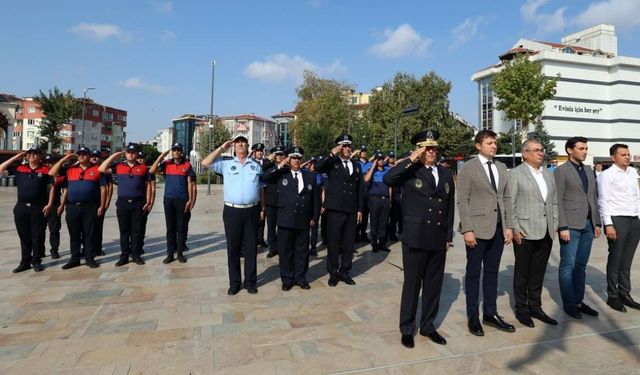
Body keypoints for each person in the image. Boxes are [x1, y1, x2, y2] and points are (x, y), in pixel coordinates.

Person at [384, 130, 455, 348]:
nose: (431, 151)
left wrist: (448, 236)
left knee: (434, 285)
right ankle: (407, 328)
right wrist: (413, 158)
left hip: (437, 236)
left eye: (433, 147)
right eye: (426, 147)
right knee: (412, 285)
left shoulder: (444, 173)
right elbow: (389, 178)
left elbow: (449, 206)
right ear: (419, 149)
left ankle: (428, 325)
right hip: (415, 236)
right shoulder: (410, 170)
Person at [457, 130, 515, 337]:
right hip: (477, 229)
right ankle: (473, 317)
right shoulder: (468, 168)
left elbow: (506, 198)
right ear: (478, 146)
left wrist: (508, 226)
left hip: (498, 229)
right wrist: (468, 229)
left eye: (495, 143)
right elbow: (462, 200)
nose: (494, 146)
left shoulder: (501, 167)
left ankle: (490, 313)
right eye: (489, 143)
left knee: (492, 272)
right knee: (473, 273)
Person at [202, 135, 265, 295]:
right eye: (238, 142)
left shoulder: (256, 166)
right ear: (234, 146)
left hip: (252, 210)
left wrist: (262, 209)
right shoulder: (226, 164)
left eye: (243, 142)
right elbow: (205, 163)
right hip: (232, 211)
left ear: (248, 146)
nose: (241, 144)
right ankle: (235, 282)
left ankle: (250, 282)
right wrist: (222, 148)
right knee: (233, 247)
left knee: (251, 247)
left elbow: (261, 189)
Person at [509, 139, 559, 328]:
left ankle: (535, 307)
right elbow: (511, 202)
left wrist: (554, 222)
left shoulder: (547, 173)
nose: (540, 153)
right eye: (536, 150)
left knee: (538, 272)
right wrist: (514, 227)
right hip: (525, 230)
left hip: (546, 230)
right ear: (525, 153)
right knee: (522, 273)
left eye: (541, 150)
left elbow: (553, 201)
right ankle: (522, 308)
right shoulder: (516, 174)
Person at [554, 136, 601, 319]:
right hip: (570, 226)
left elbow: (593, 197)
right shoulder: (561, 171)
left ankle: (579, 301)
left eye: (586, 148)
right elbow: (557, 200)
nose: (585, 151)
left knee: (581, 266)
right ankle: (569, 303)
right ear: (569, 150)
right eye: (581, 148)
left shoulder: (589, 170)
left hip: (588, 225)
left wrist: (596, 223)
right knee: (568, 265)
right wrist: (562, 226)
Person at [261, 146, 320, 290]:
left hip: (303, 219)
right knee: (286, 251)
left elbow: (316, 199)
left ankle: (300, 277)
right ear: (289, 159)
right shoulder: (281, 174)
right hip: (285, 219)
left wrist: (314, 216)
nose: (296, 160)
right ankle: (287, 279)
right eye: (293, 157)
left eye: (299, 158)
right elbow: (264, 177)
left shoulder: (309, 176)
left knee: (302, 251)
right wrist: (281, 164)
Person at [316, 134, 365, 286]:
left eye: (349, 145)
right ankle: (333, 272)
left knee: (349, 243)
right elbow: (318, 167)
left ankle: (345, 271)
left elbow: (360, 189)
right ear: (338, 147)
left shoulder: (356, 165)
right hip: (335, 209)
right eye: (344, 146)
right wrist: (332, 153)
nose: (347, 148)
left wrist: (360, 209)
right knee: (334, 242)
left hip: (351, 209)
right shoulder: (332, 163)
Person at [597, 143, 640, 312]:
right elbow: (603, 200)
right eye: (623, 155)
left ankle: (625, 293)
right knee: (615, 259)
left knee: (627, 260)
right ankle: (613, 296)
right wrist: (608, 224)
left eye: (628, 154)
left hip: (634, 220)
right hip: (617, 220)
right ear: (613, 157)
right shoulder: (606, 175)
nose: (627, 157)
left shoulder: (632, 173)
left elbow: (636, 197)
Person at [49, 146, 106, 269]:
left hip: (90, 207)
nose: (81, 156)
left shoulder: (97, 169)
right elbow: (52, 173)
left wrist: (102, 205)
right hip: (72, 207)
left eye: (85, 154)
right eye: (79, 154)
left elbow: (103, 189)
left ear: (90, 156)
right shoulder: (69, 169)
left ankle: (89, 258)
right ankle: (74, 259)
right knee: (74, 234)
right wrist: (65, 159)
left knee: (89, 234)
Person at [0, 148, 54, 272]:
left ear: (40, 156)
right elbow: (1, 168)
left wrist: (50, 204)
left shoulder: (46, 170)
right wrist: (16, 157)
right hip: (21, 207)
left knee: (37, 235)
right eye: (29, 154)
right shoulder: (19, 168)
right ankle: (25, 262)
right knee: (24, 235)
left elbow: (51, 188)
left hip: (38, 207)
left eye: (35, 154)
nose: (31, 155)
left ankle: (36, 261)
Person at [99, 144, 153, 266]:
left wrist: (149, 201)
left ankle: (136, 255)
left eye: (133, 152)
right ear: (125, 154)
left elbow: (149, 185)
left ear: (137, 154)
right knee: (124, 231)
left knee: (137, 231)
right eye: (128, 152)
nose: (131, 154)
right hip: (123, 203)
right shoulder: (118, 166)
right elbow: (101, 169)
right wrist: (113, 156)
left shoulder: (143, 168)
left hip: (138, 203)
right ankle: (124, 256)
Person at [150, 143, 196, 264]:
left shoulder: (187, 164)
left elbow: (191, 183)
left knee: (181, 228)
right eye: (174, 150)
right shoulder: (166, 164)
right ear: (172, 152)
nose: (176, 152)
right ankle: (170, 254)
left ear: (181, 152)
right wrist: (161, 157)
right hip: (169, 199)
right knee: (170, 228)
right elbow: (152, 170)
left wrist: (191, 200)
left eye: (178, 150)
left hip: (182, 199)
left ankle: (180, 253)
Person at [364, 150, 392, 252]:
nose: (380, 161)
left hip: (385, 199)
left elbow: (389, 186)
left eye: (381, 159)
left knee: (383, 223)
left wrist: (390, 199)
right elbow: (366, 179)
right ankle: (374, 243)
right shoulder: (372, 170)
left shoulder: (386, 170)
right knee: (374, 222)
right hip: (374, 199)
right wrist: (373, 165)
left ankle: (382, 243)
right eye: (378, 159)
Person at [264, 145, 285, 258]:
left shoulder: (287, 167)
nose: (279, 156)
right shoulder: (269, 166)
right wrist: (268, 159)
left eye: (281, 154)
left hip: (283, 201)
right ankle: (273, 248)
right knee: (271, 226)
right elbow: (263, 175)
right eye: (277, 154)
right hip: (271, 201)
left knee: (282, 226)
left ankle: (281, 247)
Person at [90, 150, 111, 257]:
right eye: (92, 156)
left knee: (98, 227)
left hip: (99, 202)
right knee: (86, 228)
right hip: (89, 203)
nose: (94, 158)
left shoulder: (104, 170)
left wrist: (106, 202)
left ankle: (97, 248)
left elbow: (109, 186)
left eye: (96, 156)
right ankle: (87, 248)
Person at [43, 154, 64, 259]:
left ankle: (54, 250)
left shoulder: (59, 175)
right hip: (40, 204)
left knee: (54, 229)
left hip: (55, 204)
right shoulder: (41, 173)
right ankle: (40, 250)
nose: (48, 164)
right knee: (39, 229)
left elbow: (65, 190)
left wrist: (62, 205)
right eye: (46, 162)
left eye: (50, 162)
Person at [251, 142, 271, 248]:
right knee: (253, 218)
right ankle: (253, 239)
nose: (259, 153)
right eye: (257, 151)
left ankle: (261, 238)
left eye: (261, 151)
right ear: (254, 152)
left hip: (265, 193)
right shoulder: (250, 162)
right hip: (254, 193)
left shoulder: (267, 162)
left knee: (263, 217)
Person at [302, 157, 321, 256]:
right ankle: (305, 247)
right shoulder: (304, 173)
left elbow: (323, 190)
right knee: (305, 227)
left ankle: (313, 248)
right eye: (311, 163)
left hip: (316, 203)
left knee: (314, 227)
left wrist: (322, 204)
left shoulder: (318, 175)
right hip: (307, 203)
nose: (313, 165)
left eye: (314, 164)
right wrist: (306, 162)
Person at [137, 151, 155, 254]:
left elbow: (152, 189)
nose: (140, 160)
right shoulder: (133, 170)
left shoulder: (148, 172)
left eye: (142, 158)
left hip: (144, 202)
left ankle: (139, 246)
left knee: (141, 226)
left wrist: (151, 203)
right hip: (134, 201)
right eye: (138, 158)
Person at [355, 144, 371, 244]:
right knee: (357, 215)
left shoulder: (370, 164)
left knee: (365, 215)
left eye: (365, 151)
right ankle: (355, 235)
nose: (364, 152)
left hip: (368, 193)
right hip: (358, 192)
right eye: (362, 151)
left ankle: (363, 234)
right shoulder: (356, 163)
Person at [386, 151, 403, 241]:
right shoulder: (385, 167)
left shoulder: (396, 167)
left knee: (395, 216)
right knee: (387, 217)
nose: (392, 158)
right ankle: (386, 233)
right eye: (390, 157)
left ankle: (392, 234)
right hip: (387, 194)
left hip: (396, 193)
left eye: (393, 157)